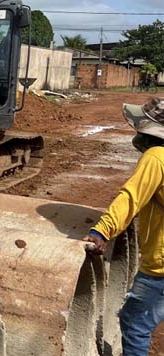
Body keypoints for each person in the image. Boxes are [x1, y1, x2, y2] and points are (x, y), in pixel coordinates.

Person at [84, 97, 164, 356]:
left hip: (161, 265)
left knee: (134, 321)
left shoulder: (157, 157)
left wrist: (102, 230)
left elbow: (132, 196)